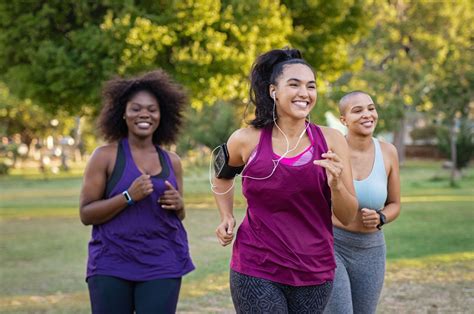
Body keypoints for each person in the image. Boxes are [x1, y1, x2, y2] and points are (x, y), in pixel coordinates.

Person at [212, 48, 358, 313]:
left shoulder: (332, 141)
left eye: (310, 86)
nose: (305, 93)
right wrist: (226, 215)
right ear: (273, 91)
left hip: (314, 270)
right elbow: (221, 177)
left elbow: (347, 216)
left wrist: (336, 185)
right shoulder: (246, 139)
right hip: (256, 265)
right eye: (294, 84)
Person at [79, 70, 194, 314]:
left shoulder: (172, 161)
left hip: (162, 262)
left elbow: (179, 215)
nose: (144, 114)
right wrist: (128, 196)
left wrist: (179, 205)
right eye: (136, 108)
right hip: (111, 263)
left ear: (161, 115)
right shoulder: (105, 156)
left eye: (152, 109)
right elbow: (86, 214)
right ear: (123, 113)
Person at [324, 91, 401, 314]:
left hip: (371, 250)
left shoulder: (388, 152)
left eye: (371, 108)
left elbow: (395, 203)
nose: (367, 115)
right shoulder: (330, 152)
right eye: (357, 110)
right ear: (343, 120)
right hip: (333, 245)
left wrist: (381, 217)